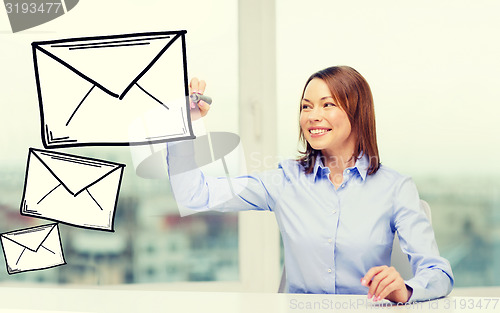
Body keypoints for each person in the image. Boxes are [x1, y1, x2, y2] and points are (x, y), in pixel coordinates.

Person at [166, 66, 454, 303]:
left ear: (357, 112)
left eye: (327, 104)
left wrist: (405, 289)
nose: (312, 116)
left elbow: (437, 272)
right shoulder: (285, 180)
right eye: (306, 106)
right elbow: (195, 195)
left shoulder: (395, 188)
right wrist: (185, 125)